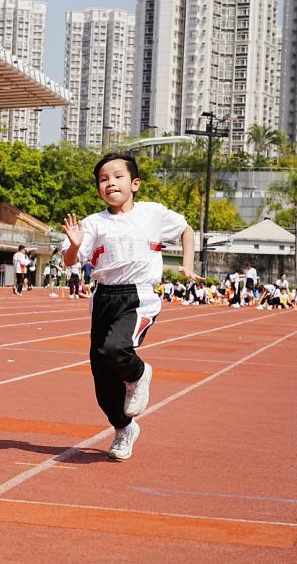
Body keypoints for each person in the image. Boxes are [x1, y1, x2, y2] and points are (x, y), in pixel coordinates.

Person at [63, 152, 198, 461]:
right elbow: (70, 260)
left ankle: (138, 374)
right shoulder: (93, 223)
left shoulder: (152, 213)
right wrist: (74, 245)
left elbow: (186, 230)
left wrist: (187, 264)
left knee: (116, 347)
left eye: (117, 176)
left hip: (138, 295)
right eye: (103, 179)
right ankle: (124, 428)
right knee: (102, 379)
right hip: (103, 298)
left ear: (135, 183)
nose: (110, 183)